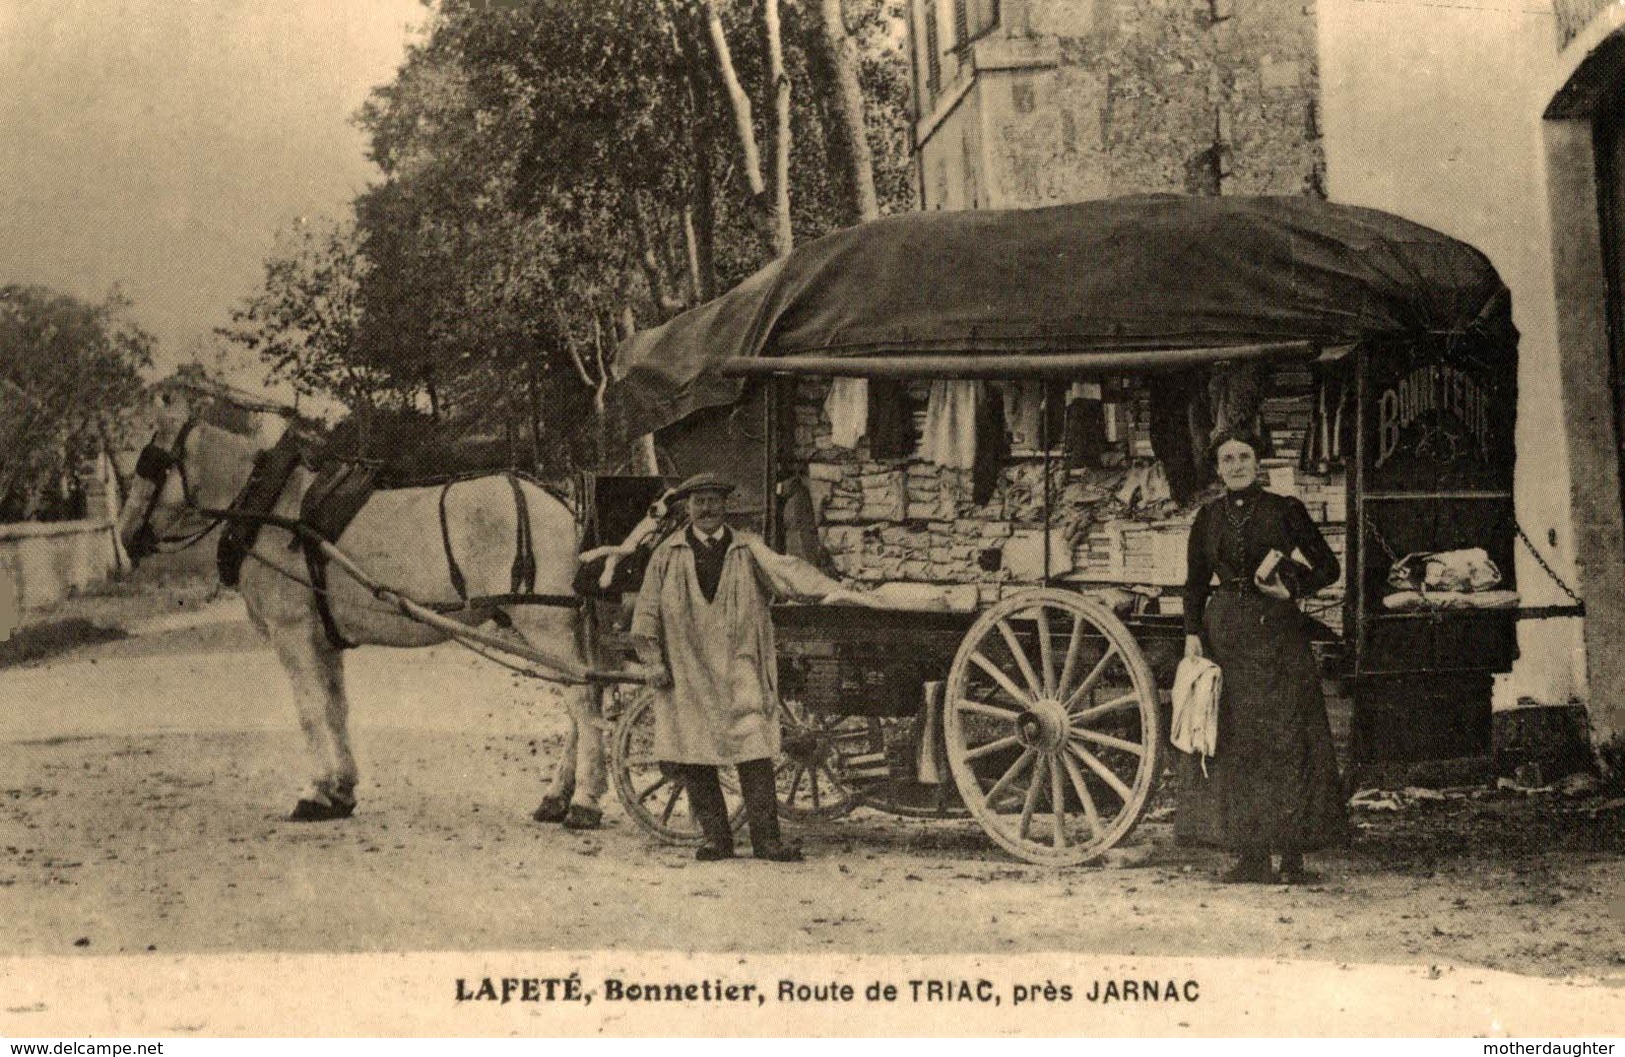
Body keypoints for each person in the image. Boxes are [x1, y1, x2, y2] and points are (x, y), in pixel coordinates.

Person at [631, 471, 838, 863]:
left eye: (713, 501)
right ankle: (716, 839)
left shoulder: (747, 549)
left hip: (740, 662)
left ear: (725, 506)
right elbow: (646, 613)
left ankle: (767, 842)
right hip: (687, 667)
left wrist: (837, 591)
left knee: (754, 749)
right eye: (698, 502)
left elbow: (788, 572)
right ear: (688, 507)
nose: (706, 509)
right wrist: (654, 662)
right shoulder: (667, 554)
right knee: (694, 752)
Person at [1178, 429, 1347, 884]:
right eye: (1227, 459)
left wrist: (1287, 585)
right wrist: (1193, 633)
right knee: (1236, 742)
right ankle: (1250, 856)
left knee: (1287, 740)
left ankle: (1292, 857)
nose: (1236, 465)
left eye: (1244, 457)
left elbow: (1328, 568)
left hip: (1278, 639)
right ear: (1218, 468)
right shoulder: (1208, 518)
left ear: (1259, 463)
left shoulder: (1284, 510)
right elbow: (1194, 584)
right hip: (1227, 637)